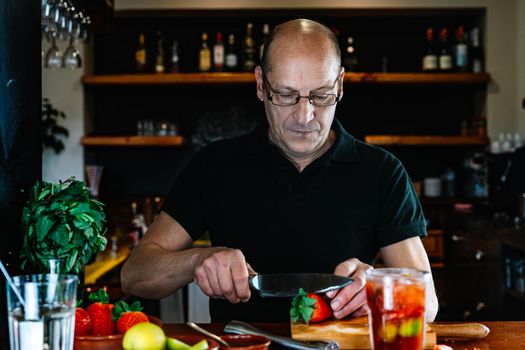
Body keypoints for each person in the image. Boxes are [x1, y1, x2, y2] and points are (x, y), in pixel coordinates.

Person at [121, 18, 439, 322]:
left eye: (321, 95)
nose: (305, 115)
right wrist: (198, 260)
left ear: (340, 85)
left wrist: (377, 288)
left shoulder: (382, 172)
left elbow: (428, 304)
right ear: (261, 84)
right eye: (286, 95)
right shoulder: (215, 165)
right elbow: (135, 275)